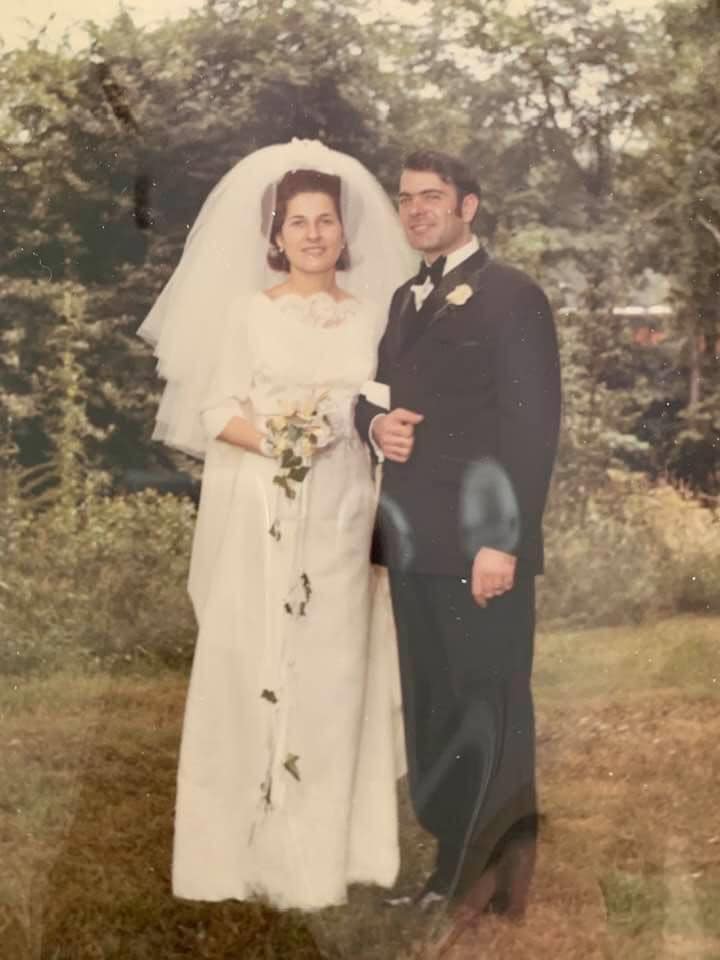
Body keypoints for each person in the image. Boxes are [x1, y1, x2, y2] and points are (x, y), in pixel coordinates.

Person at [138, 140, 414, 910]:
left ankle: (328, 858)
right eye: (298, 222)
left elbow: (384, 411)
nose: (314, 235)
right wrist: (282, 442)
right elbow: (215, 410)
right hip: (264, 507)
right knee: (255, 661)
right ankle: (241, 852)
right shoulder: (248, 315)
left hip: (345, 514)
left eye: (325, 220)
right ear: (277, 234)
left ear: (344, 231)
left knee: (334, 671)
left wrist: (356, 434)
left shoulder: (374, 317)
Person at [355, 150, 562, 926]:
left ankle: (494, 885)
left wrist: (502, 543)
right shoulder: (404, 298)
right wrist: (374, 426)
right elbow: (371, 396)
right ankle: (450, 868)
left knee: (489, 706)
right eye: (406, 198)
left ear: (468, 207)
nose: (416, 210)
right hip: (414, 542)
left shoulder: (513, 296)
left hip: (480, 548)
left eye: (432, 197)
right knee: (436, 709)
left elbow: (532, 430)